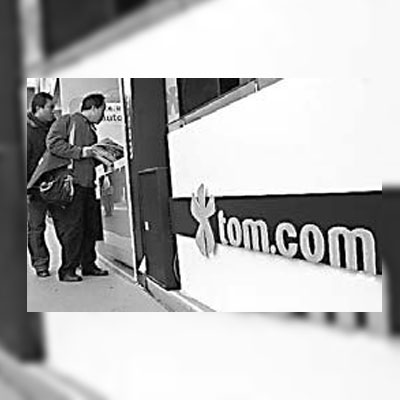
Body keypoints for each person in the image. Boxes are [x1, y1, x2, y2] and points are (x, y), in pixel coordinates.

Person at [45, 93, 109, 282]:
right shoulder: (68, 121)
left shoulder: (90, 128)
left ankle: (89, 264)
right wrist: (82, 152)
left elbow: (86, 158)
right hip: (73, 184)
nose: (103, 115)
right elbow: (53, 143)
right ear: (94, 108)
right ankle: (68, 269)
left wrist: (102, 156)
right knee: (73, 229)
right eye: (103, 110)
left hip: (88, 184)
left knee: (90, 227)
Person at [27, 92, 55, 278]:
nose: (53, 111)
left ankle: (71, 263)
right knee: (36, 227)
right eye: (50, 107)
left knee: (67, 226)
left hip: (57, 185)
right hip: (34, 188)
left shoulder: (55, 127)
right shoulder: (25, 131)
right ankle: (40, 264)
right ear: (38, 108)